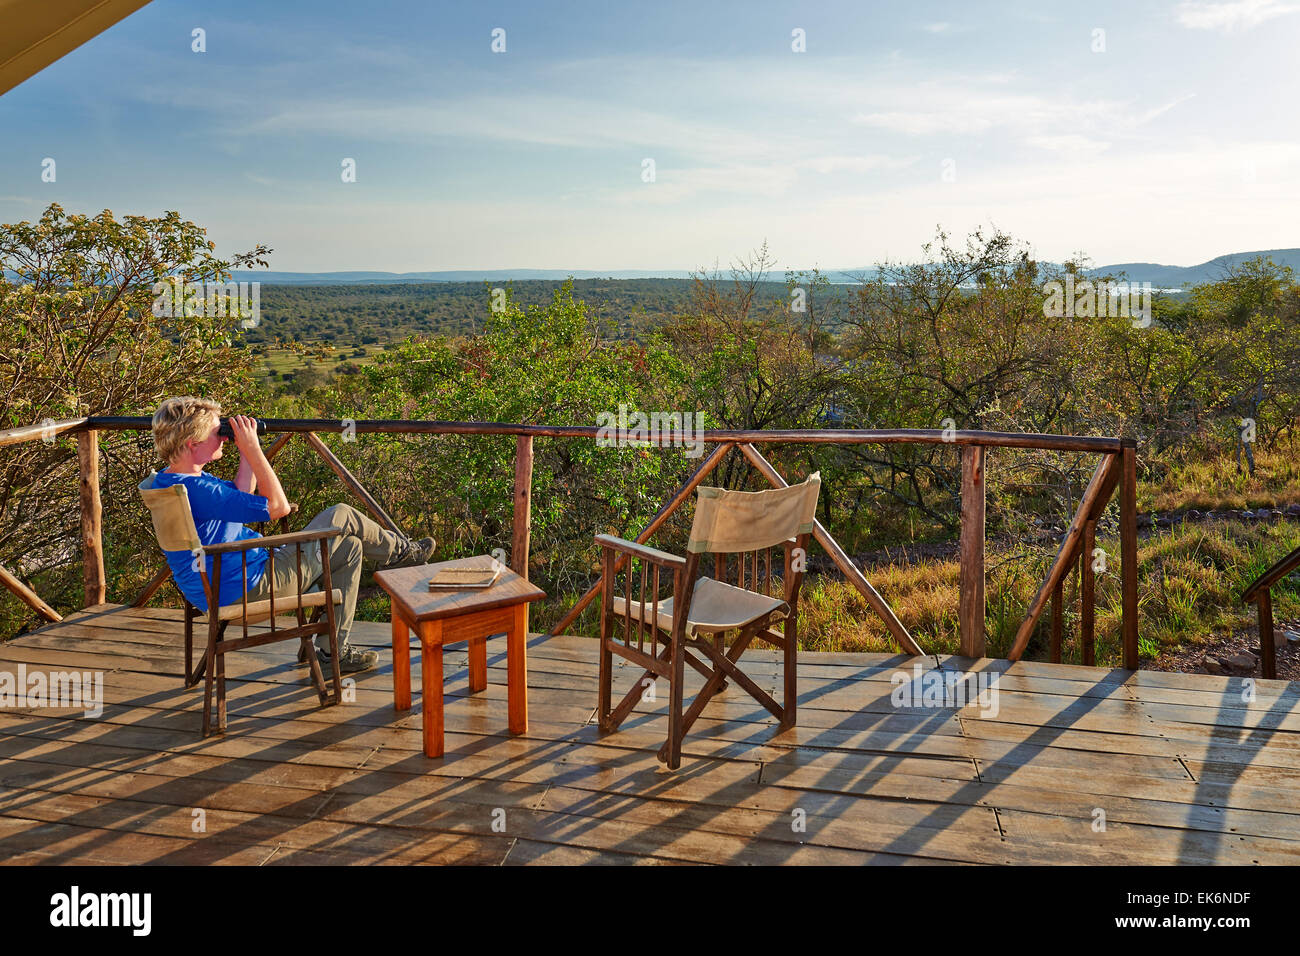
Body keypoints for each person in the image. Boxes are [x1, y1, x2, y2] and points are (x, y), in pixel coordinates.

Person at [149, 396, 435, 673]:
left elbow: (241, 495)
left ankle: (331, 654)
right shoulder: (202, 491)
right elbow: (279, 507)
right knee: (341, 514)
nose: (224, 437)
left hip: (215, 591)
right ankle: (400, 554)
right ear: (193, 443)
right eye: (218, 432)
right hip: (251, 589)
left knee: (350, 548)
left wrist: (246, 450)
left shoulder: (172, 482)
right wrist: (255, 451)